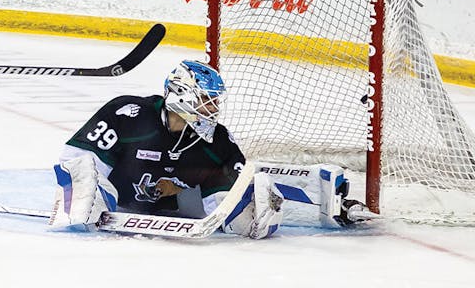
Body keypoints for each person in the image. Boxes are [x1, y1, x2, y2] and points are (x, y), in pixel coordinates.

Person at [50, 60, 357, 239]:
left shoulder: (218, 139)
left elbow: (230, 191)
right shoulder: (129, 114)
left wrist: (253, 204)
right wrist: (88, 198)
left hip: (181, 211)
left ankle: (317, 195)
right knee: (82, 179)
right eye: (208, 99)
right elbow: (74, 159)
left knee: (250, 204)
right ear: (183, 95)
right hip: (115, 205)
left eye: (216, 100)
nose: (215, 108)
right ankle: (77, 209)